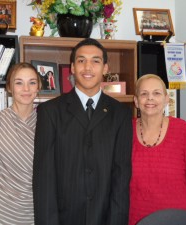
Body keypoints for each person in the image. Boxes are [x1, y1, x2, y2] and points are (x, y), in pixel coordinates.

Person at [33, 38, 133, 225]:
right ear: (72, 67)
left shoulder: (121, 114)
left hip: (105, 218)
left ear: (105, 68)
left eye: (95, 61)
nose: (88, 67)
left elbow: (121, 177)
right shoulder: (50, 112)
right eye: (81, 61)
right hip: (63, 218)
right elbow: (44, 179)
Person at [128, 74, 186, 225]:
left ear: (166, 99)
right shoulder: (126, 131)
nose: (150, 98)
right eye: (144, 94)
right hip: (136, 219)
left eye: (156, 93)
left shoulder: (182, 130)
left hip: (178, 219)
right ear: (136, 101)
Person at [0, 62, 41, 224]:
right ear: (9, 87)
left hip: (34, 215)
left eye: (32, 82)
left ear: (38, 87)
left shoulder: (46, 124)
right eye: (19, 83)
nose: (26, 89)